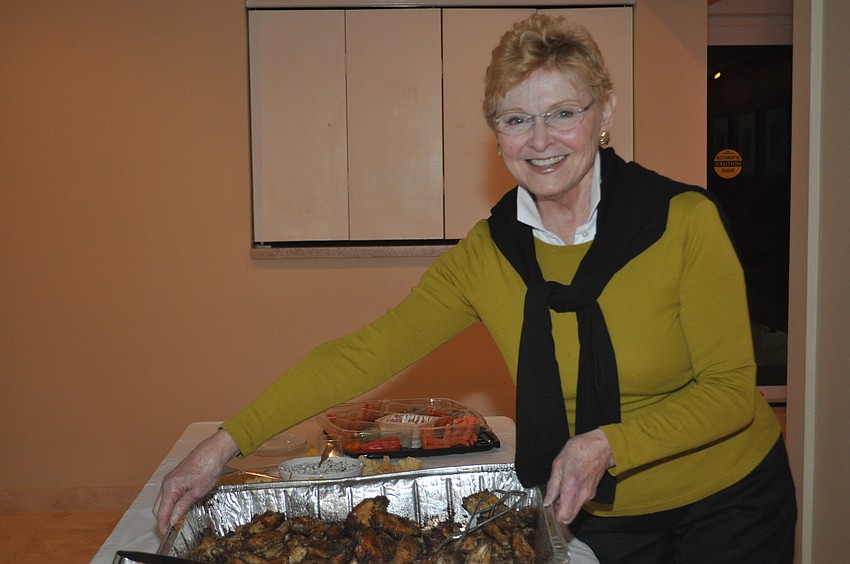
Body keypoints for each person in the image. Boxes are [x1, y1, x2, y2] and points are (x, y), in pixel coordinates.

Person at [155, 14, 796, 563]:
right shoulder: (489, 255)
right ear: (496, 134)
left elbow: (731, 394)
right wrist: (224, 443)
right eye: (517, 119)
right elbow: (364, 351)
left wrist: (608, 443)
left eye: (562, 113)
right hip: (603, 515)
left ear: (605, 111)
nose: (540, 141)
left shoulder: (682, 221)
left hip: (732, 505)